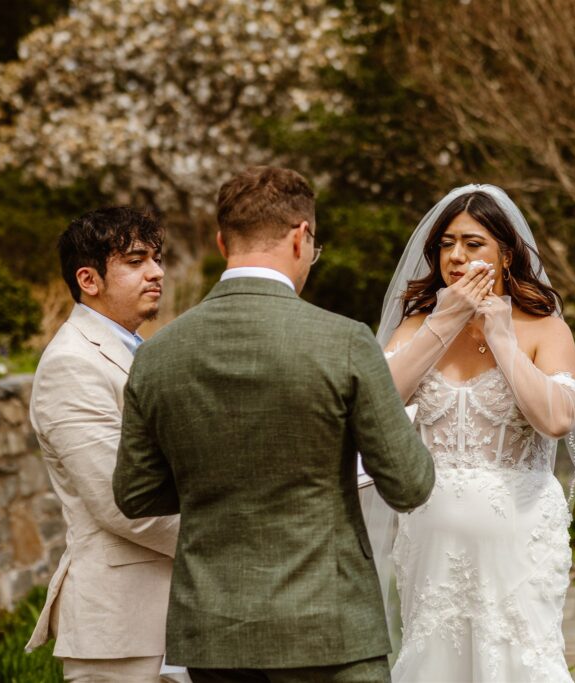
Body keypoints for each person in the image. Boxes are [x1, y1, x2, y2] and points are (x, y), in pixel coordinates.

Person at [112, 166, 435, 683]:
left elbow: (135, 494)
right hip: (327, 629)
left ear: (222, 241)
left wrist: (213, 477)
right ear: (301, 236)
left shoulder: (158, 355)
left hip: (214, 632)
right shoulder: (344, 341)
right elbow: (409, 483)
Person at [373, 184, 575, 682]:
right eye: (446, 244)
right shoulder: (417, 327)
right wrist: (443, 325)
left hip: (520, 532)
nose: (456, 255)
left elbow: (555, 419)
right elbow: (380, 405)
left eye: (473, 243)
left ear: (505, 254)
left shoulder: (544, 328)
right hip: (430, 538)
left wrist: (502, 337)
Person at [26, 207, 181, 682]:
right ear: (88, 279)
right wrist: (242, 537)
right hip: (122, 632)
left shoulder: (140, 351)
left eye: (155, 259)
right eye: (135, 261)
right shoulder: (71, 364)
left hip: (170, 616)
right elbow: (123, 501)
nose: (156, 272)